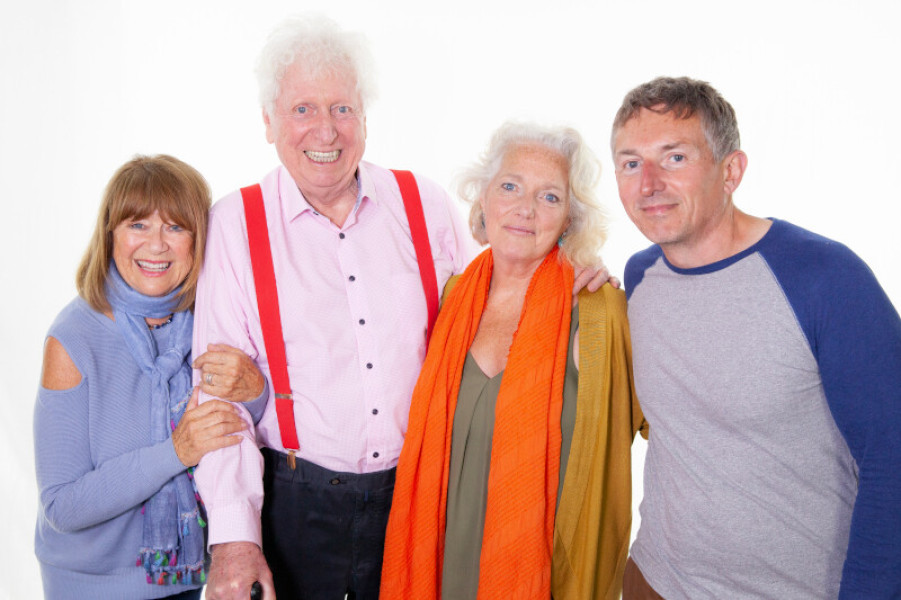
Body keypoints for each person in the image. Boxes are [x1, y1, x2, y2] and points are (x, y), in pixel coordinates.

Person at [194, 16, 612, 600]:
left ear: (364, 116)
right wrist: (235, 541)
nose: (326, 130)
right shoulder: (234, 225)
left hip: (418, 498)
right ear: (268, 121)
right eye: (302, 110)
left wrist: (574, 272)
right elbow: (218, 398)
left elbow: (498, 295)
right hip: (294, 505)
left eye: (342, 108)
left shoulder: (424, 205)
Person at [612, 76, 901, 599]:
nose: (648, 184)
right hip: (654, 581)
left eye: (674, 157)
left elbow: (893, 453)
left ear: (731, 171)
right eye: (631, 162)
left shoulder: (824, 277)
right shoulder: (638, 279)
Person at [379, 122, 646, 600]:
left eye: (549, 197)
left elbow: (663, 426)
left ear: (569, 218)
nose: (525, 210)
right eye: (510, 187)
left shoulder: (598, 312)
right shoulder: (451, 298)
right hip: (440, 563)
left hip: (540, 575)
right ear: (483, 199)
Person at [33, 155, 266, 599]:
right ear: (110, 235)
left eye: (175, 227)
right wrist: (175, 453)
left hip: (189, 579)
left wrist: (255, 394)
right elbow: (61, 505)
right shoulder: (72, 339)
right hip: (92, 589)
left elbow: (235, 431)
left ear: (199, 241)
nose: (156, 246)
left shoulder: (208, 323)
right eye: (138, 225)